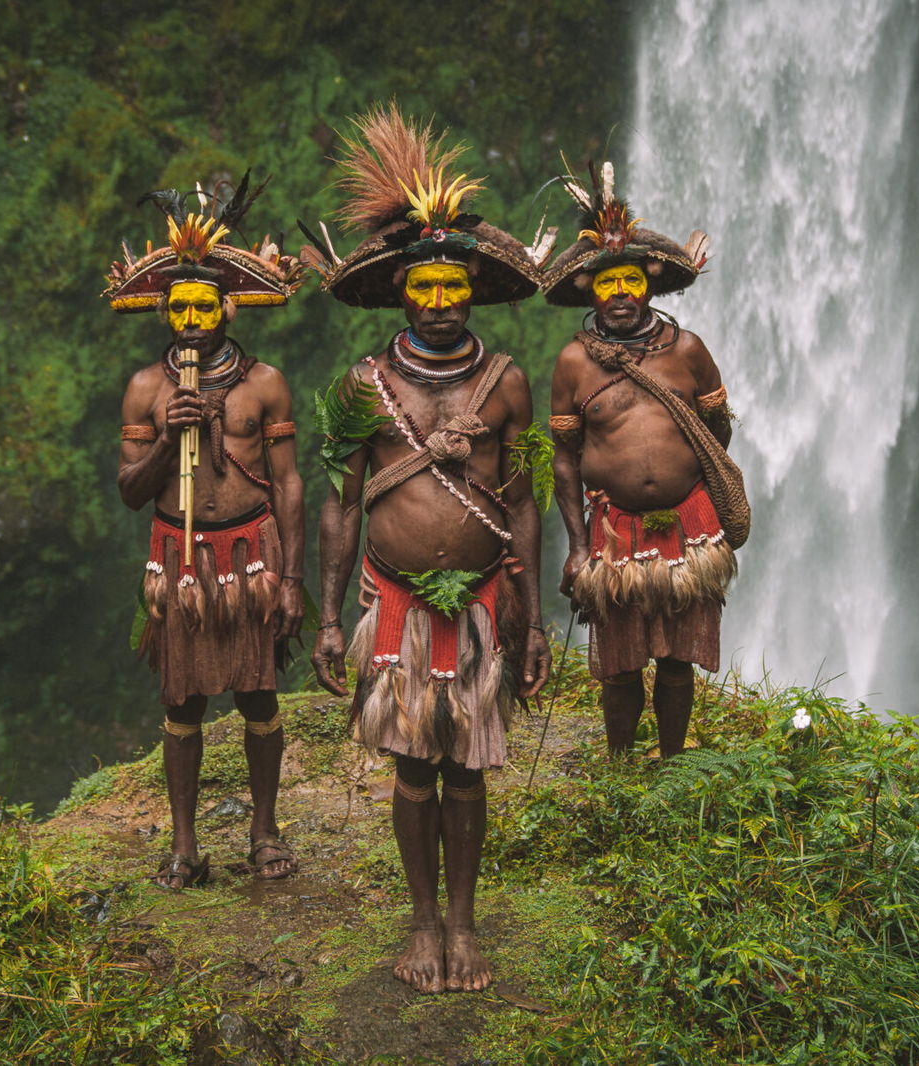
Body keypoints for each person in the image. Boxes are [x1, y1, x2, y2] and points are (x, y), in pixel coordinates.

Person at [305, 105, 553, 993]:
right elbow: (338, 508)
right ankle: (419, 924)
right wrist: (329, 618)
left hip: (484, 601)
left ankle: (463, 926)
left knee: (471, 766)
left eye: (456, 287)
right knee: (414, 763)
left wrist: (532, 622)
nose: (442, 302)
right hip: (396, 603)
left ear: (473, 292)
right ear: (403, 291)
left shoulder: (509, 383)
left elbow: (526, 503)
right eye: (427, 287)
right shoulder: (358, 388)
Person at [104, 177, 306, 888]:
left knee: (257, 694)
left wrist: (294, 581)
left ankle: (265, 832)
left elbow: (288, 483)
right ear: (164, 310)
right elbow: (131, 491)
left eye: (204, 305)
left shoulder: (264, 383)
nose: (192, 318)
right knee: (182, 700)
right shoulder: (145, 390)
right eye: (179, 306)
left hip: (252, 555)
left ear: (227, 305)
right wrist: (170, 440)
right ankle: (186, 846)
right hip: (178, 559)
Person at [544, 163, 750, 758]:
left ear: (650, 285)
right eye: (606, 285)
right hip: (614, 532)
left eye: (631, 281)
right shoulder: (573, 364)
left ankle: (673, 758)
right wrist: (579, 546)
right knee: (621, 664)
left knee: (677, 658)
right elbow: (564, 461)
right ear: (589, 290)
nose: (620, 295)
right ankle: (620, 762)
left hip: (688, 525)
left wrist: (694, 485)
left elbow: (715, 430)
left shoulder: (687, 351)